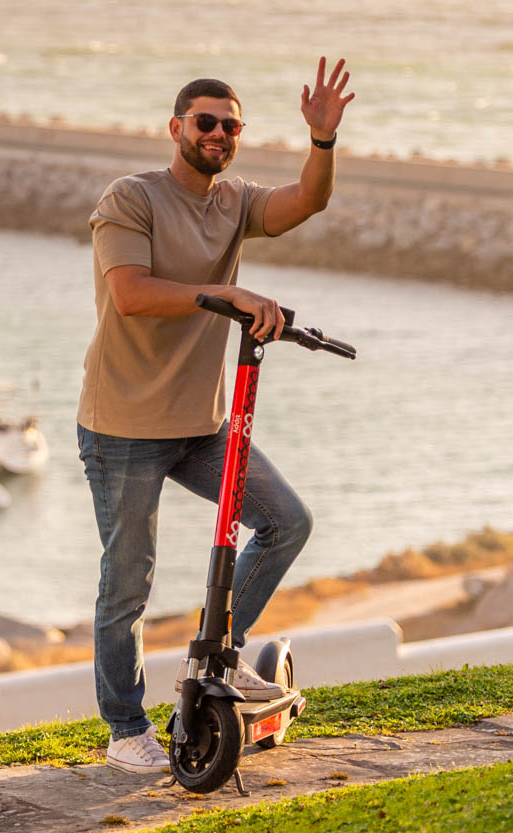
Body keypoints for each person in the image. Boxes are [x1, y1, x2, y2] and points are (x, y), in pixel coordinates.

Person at [78, 58, 355, 773]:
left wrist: (321, 142)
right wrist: (226, 296)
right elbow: (133, 293)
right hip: (124, 425)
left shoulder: (233, 202)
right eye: (206, 122)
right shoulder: (129, 198)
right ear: (176, 128)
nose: (219, 134)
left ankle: (216, 661)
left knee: (286, 521)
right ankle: (124, 728)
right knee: (127, 581)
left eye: (231, 125)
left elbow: (305, 202)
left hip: (199, 424)